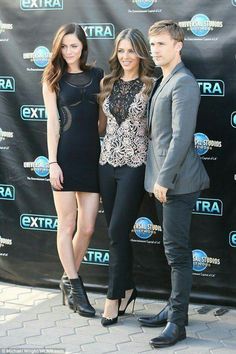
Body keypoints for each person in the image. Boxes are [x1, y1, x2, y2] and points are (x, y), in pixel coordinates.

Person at [138, 20, 210, 348]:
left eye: (161, 44)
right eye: (152, 45)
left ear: (178, 45)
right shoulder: (163, 79)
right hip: (160, 181)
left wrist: (164, 180)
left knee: (178, 254)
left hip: (177, 183)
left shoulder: (183, 82)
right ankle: (171, 307)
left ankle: (177, 323)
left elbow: (182, 138)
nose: (155, 50)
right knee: (171, 252)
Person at [42, 23, 104, 317]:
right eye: (64, 46)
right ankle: (78, 289)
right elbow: (53, 124)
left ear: (83, 47)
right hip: (65, 158)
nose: (68, 51)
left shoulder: (97, 76)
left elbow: (102, 121)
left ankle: (67, 279)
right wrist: (53, 162)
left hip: (92, 157)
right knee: (66, 224)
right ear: (58, 47)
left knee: (88, 227)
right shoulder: (52, 77)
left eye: (74, 46)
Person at [98, 28, 154, 326]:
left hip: (135, 165)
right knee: (116, 234)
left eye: (131, 50)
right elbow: (101, 125)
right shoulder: (108, 83)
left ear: (141, 53)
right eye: (121, 50)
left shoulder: (151, 86)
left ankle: (112, 297)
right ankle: (129, 288)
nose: (126, 56)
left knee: (118, 231)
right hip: (106, 164)